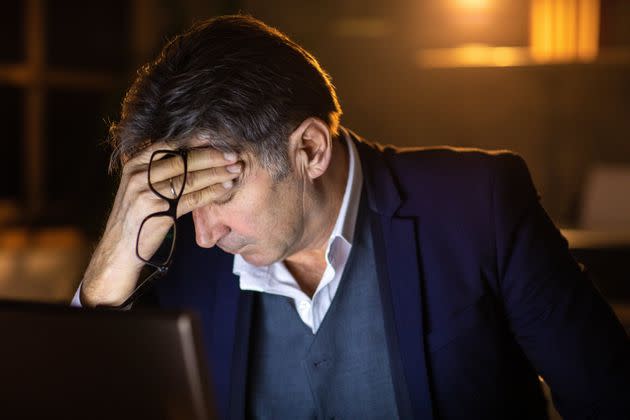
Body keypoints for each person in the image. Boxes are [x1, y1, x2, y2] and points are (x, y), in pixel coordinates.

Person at [73, 14, 630, 419]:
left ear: (310, 149)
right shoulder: (182, 258)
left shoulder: (478, 205)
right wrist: (113, 256)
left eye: (219, 191)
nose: (205, 231)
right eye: (187, 200)